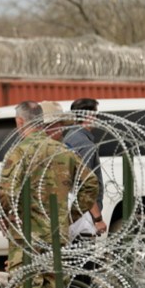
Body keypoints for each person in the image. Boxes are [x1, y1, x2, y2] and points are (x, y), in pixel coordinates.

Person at [0, 100, 98, 288]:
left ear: (20, 123)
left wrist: (11, 219)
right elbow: (91, 183)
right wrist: (69, 216)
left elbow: (5, 194)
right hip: (55, 236)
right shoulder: (61, 151)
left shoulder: (19, 152)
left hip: (26, 238)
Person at [64, 98, 107, 235]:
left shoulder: (69, 137)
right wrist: (97, 218)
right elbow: (85, 184)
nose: (97, 119)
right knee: (84, 254)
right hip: (83, 216)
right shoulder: (84, 144)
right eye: (96, 115)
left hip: (72, 211)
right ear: (89, 116)